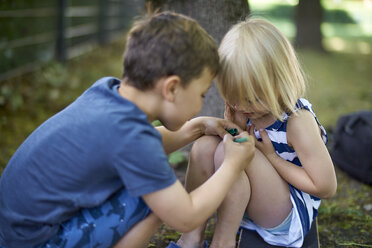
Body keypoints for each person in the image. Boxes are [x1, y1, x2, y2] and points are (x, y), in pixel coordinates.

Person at [0, 11, 256, 248]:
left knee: (149, 181)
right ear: (172, 88)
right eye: (201, 94)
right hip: (33, 242)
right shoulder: (131, 139)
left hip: (15, 231)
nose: (201, 103)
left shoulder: (107, 94)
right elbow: (185, 216)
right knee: (158, 198)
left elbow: (139, 147)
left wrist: (198, 127)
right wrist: (232, 165)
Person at [175, 18, 337, 248]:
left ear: (279, 83)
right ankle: (190, 236)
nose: (242, 106)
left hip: (286, 215)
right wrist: (236, 126)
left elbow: (326, 186)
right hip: (254, 203)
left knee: (227, 151)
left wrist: (271, 158)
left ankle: (223, 242)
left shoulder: (297, 122)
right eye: (233, 97)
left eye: (251, 98)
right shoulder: (247, 110)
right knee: (204, 147)